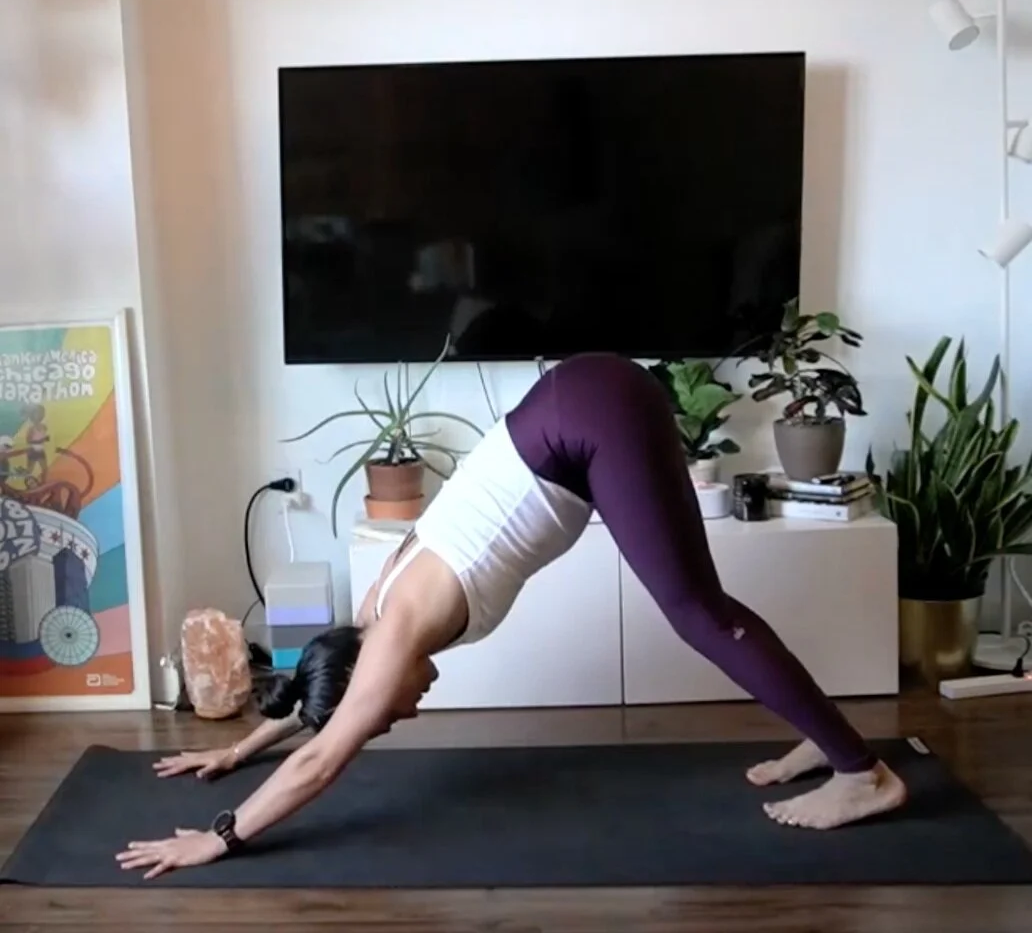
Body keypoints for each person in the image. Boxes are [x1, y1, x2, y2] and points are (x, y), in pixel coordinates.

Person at [116, 353, 906, 880]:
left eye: (384, 713)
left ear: (368, 676)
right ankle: (825, 734)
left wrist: (218, 836)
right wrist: (238, 749)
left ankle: (860, 776)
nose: (401, 713)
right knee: (701, 605)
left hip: (591, 424)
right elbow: (320, 699)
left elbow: (321, 760)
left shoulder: (395, 633)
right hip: (580, 398)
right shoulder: (370, 612)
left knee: (696, 612)